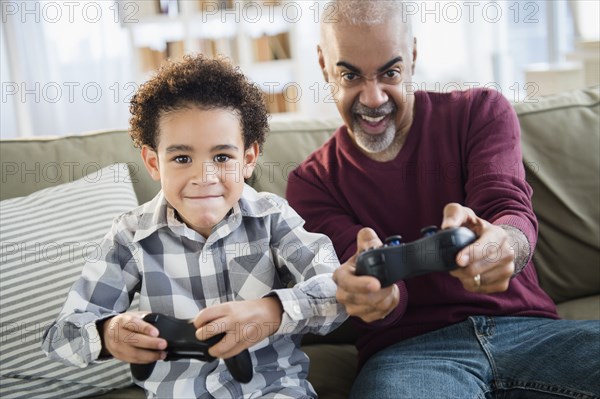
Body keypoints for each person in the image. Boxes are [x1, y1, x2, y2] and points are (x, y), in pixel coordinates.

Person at [286, 1, 600, 398]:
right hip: (410, 354)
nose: (372, 98)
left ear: (413, 57)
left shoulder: (480, 112)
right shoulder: (310, 184)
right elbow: (363, 280)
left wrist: (506, 244)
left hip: (531, 332)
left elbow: (509, 208)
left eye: (390, 72)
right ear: (323, 65)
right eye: (350, 75)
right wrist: (379, 296)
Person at [42, 54, 346, 399]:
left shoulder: (273, 218)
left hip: (273, 391)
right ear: (154, 162)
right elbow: (61, 335)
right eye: (182, 158)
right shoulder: (129, 237)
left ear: (248, 159)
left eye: (222, 157)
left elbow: (339, 291)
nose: (204, 178)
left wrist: (273, 311)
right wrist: (108, 333)